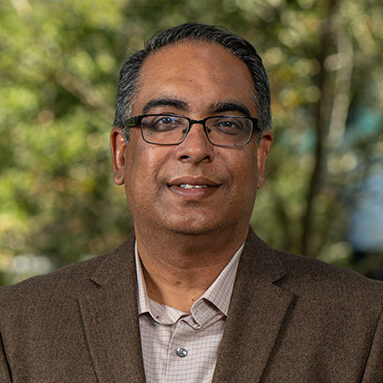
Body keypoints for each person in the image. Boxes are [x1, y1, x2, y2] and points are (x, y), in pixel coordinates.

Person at [0, 23, 382, 383]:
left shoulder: (365, 323)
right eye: (165, 121)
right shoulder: (17, 325)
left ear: (261, 157)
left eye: (227, 124)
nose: (195, 149)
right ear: (120, 155)